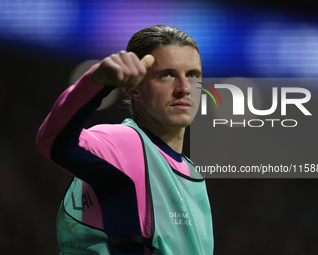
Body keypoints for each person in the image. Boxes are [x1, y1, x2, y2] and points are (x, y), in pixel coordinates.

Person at [36, 25, 213, 255]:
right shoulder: (125, 144)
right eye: (166, 75)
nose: (184, 88)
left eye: (192, 74)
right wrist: (97, 81)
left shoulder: (192, 172)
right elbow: (52, 141)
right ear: (133, 89)